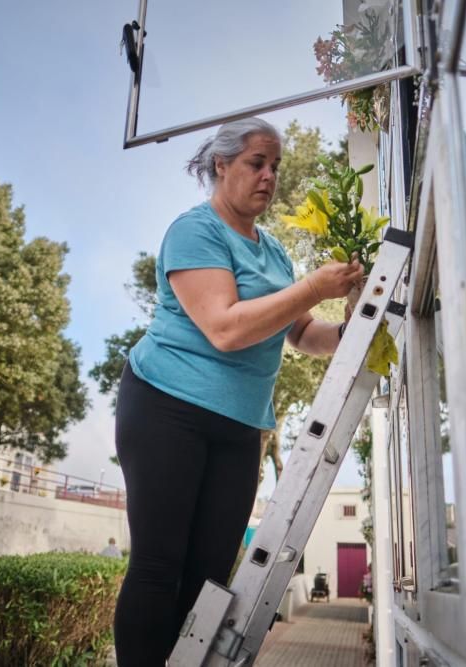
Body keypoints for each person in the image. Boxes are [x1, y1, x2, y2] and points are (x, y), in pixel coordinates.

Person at [113, 117, 364, 666]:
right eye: (257, 163)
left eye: (275, 166)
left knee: (210, 576)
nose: (269, 176)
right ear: (221, 165)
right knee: (159, 565)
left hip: (239, 425)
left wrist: (351, 323)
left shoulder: (275, 254)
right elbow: (226, 329)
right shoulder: (195, 230)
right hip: (165, 407)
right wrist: (314, 286)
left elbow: (301, 334)